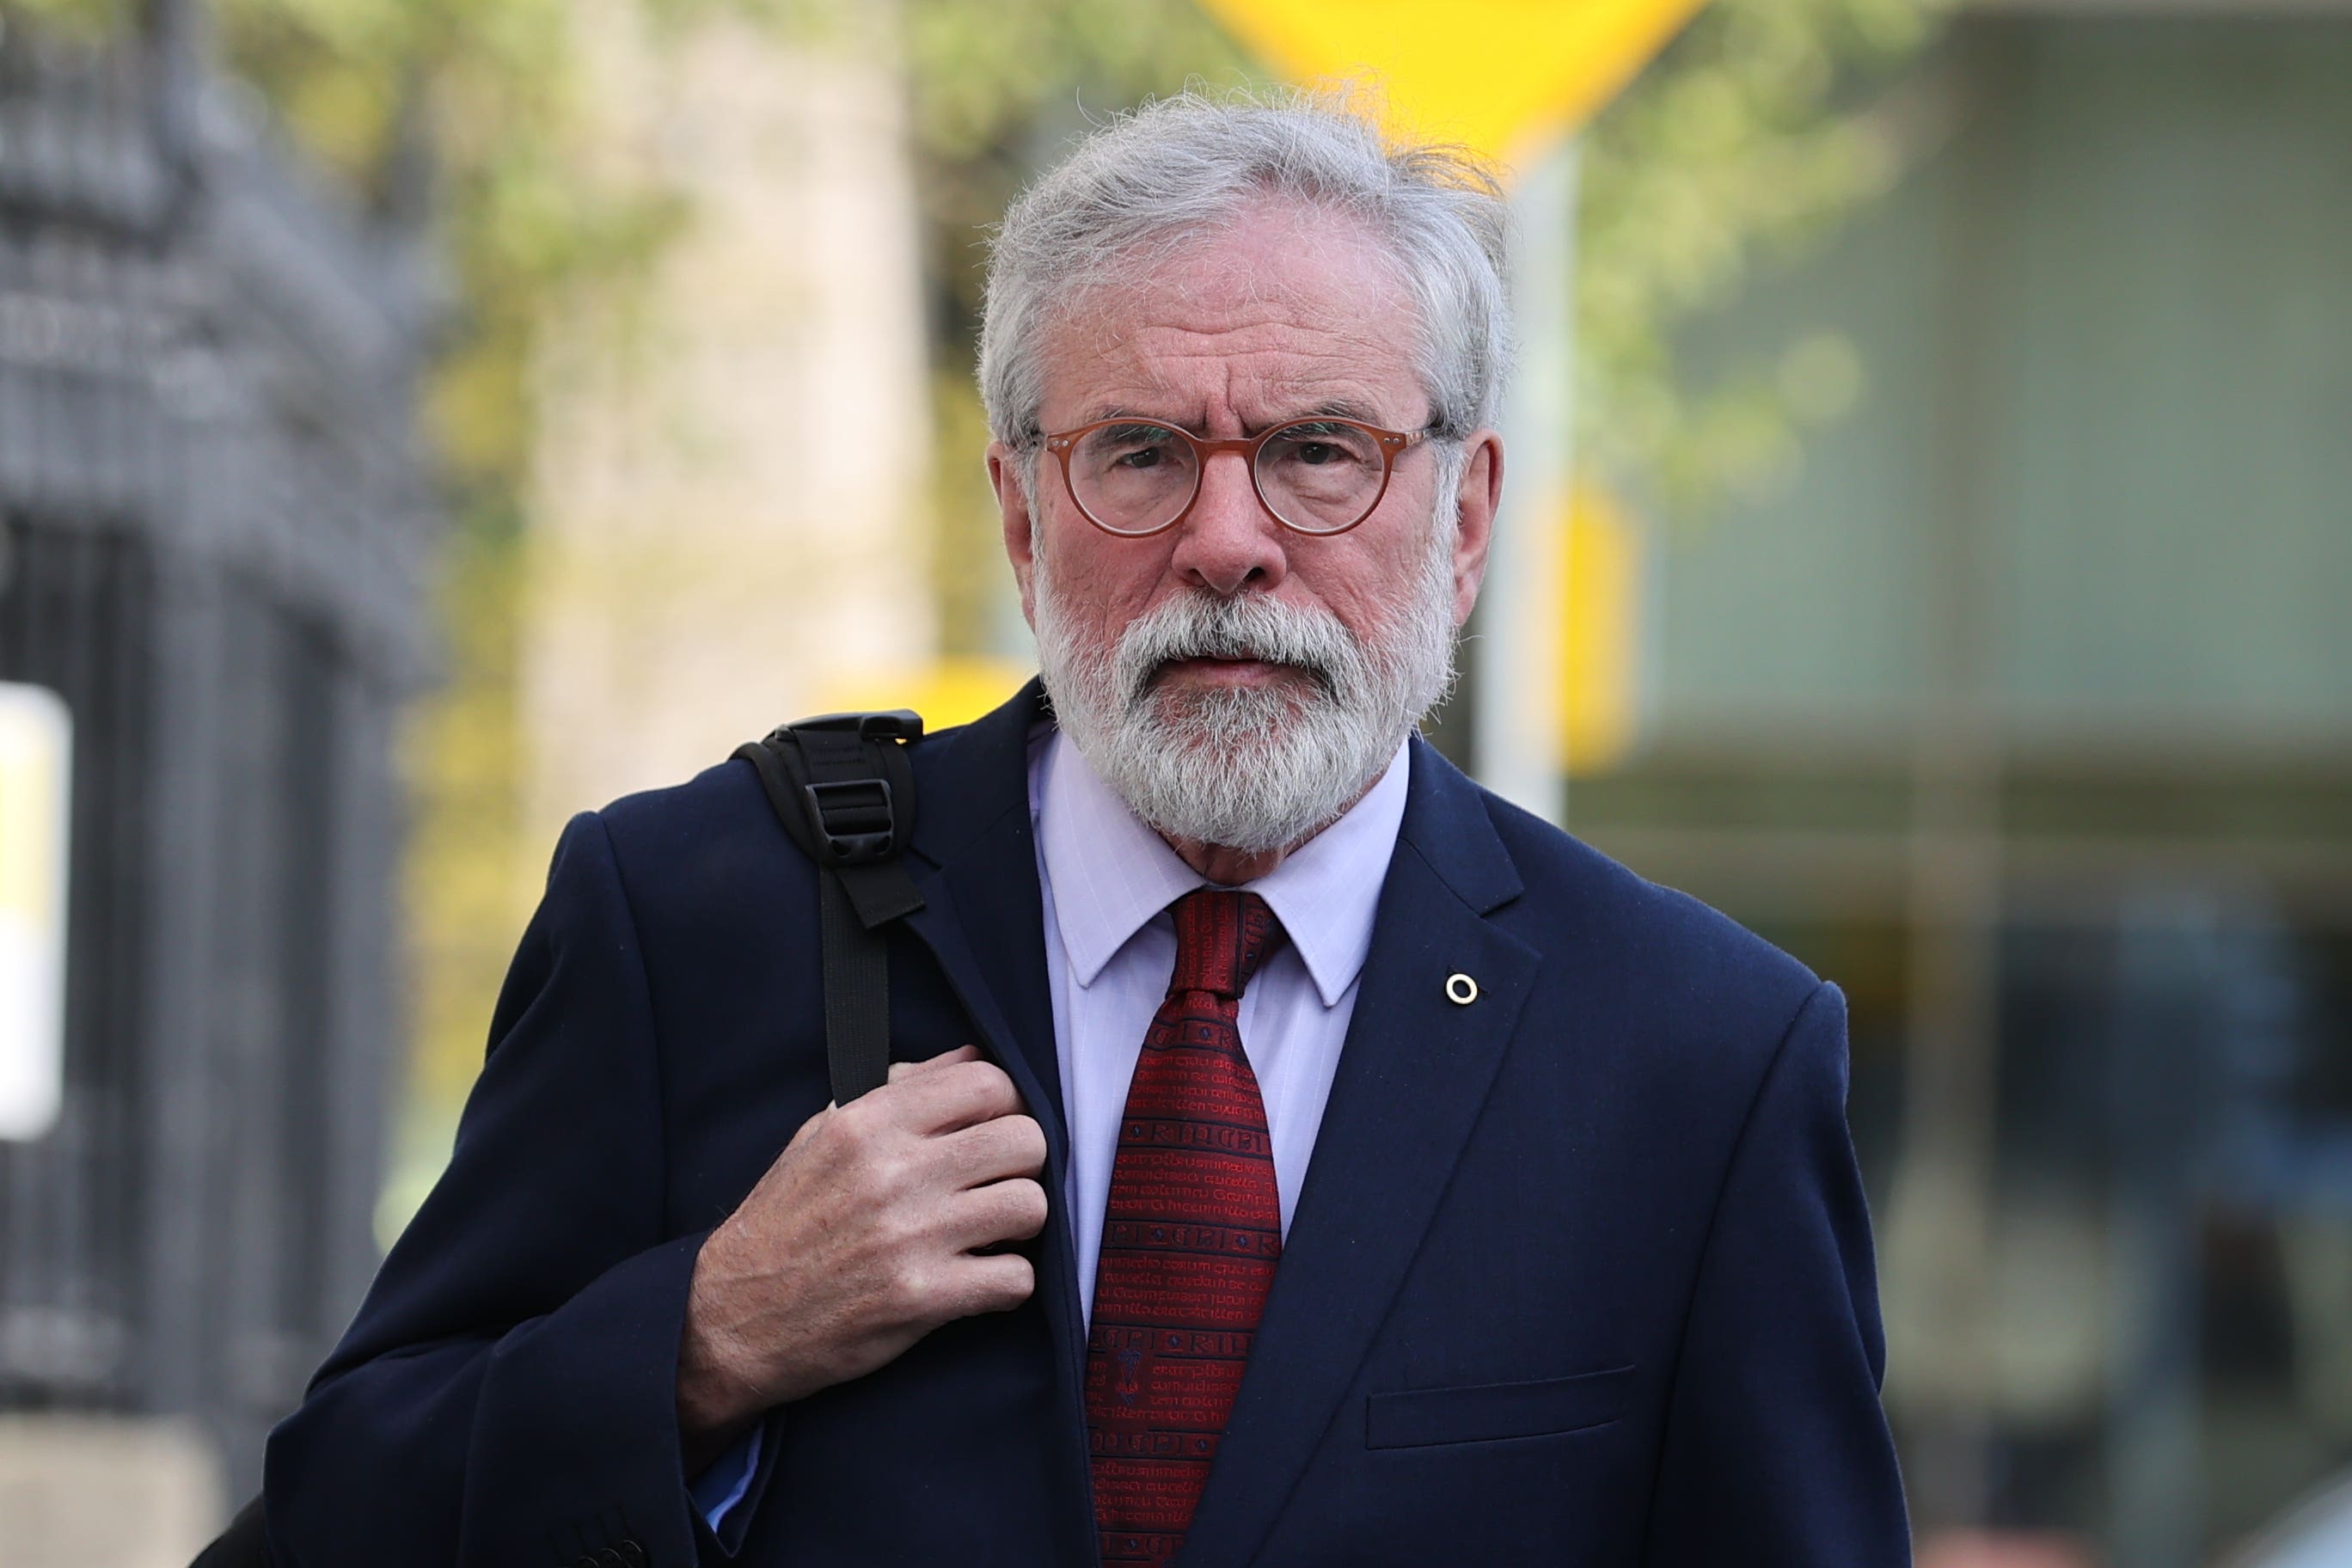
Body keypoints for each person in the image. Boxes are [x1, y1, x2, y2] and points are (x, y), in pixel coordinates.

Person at [263, 89, 1909, 1567]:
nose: (1225, 543)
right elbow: (341, 1511)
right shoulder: (698, 918)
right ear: (1017, 512)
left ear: (1465, 519)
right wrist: (701, 1343)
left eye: (1316, 454)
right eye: (1138, 452)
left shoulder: (1695, 1057)